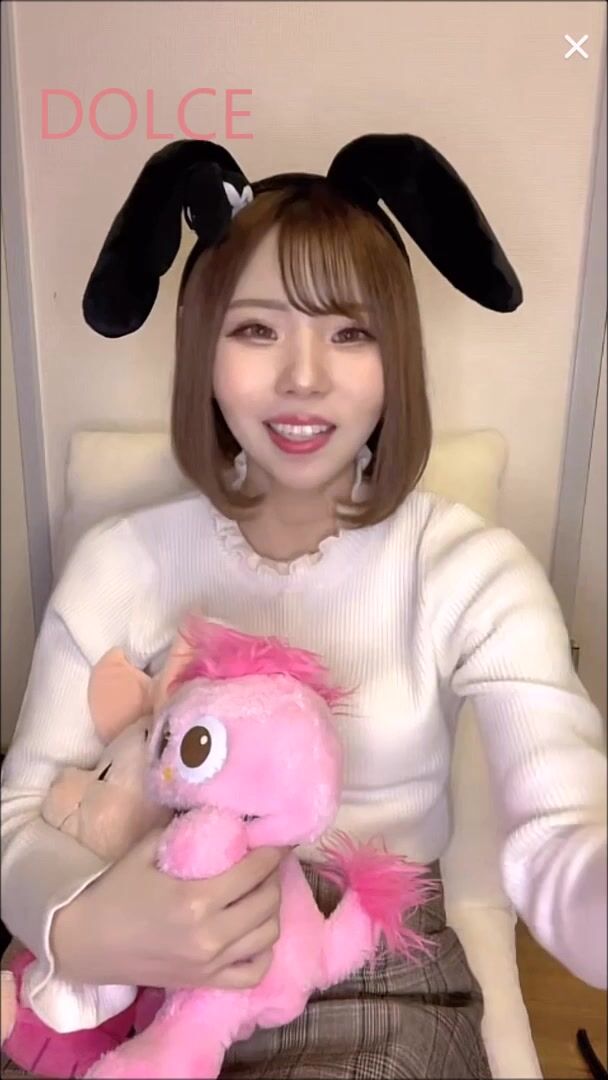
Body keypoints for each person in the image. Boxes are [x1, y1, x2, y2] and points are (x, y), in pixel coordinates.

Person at [1, 134, 606, 1080]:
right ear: (202, 349)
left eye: (350, 333)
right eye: (256, 330)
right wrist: (80, 927)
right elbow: (20, 814)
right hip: (130, 988)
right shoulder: (118, 561)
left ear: (395, 356)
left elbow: (559, 833)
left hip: (369, 978)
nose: (305, 377)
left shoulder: (470, 570)